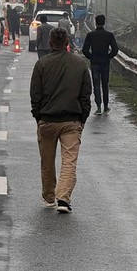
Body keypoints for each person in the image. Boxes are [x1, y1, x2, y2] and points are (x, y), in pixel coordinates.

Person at [30, 27, 92, 213]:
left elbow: (35, 94)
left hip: (47, 120)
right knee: (69, 161)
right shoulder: (79, 64)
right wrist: (83, 117)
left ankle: (49, 196)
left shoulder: (42, 64)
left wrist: (38, 116)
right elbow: (85, 94)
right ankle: (63, 198)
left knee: (47, 161)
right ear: (68, 42)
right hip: (71, 121)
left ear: (50, 43)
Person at [82, 14, 118, 114]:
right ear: (104, 22)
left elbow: (85, 49)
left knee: (96, 85)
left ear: (96, 22)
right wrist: (108, 56)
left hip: (95, 63)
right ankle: (106, 106)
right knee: (105, 85)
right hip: (105, 62)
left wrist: (91, 57)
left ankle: (98, 107)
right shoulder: (109, 35)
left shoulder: (91, 35)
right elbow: (115, 50)